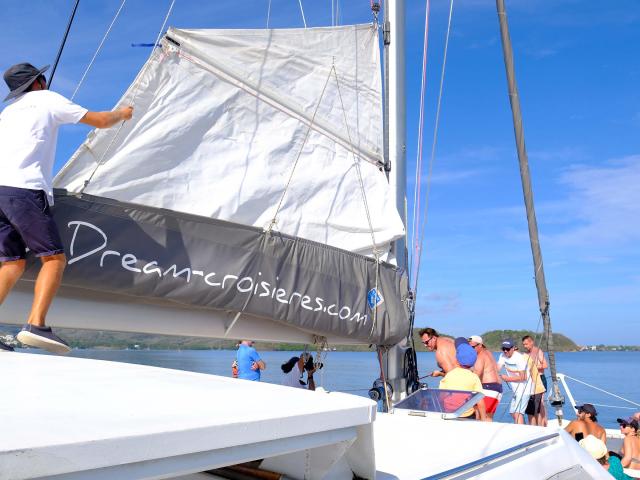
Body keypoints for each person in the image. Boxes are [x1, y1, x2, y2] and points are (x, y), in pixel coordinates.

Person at [0, 62, 133, 354]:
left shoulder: (7, 113)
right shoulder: (46, 99)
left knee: (12, 263)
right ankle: (36, 325)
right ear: (38, 82)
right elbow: (100, 121)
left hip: (0, 192)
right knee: (54, 258)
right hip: (24, 189)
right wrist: (123, 114)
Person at [439, 339, 487, 421]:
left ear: (457, 360)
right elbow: (480, 400)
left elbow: (441, 396)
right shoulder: (474, 377)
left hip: (449, 414)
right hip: (467, 415)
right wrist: (483, 419)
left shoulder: (449, 375)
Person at [497, 339, 531, 424]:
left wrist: (507, 379)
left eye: (507, 349)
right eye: (503, 348)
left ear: (513, 348)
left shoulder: (519, 358)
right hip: (515, 390)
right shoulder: (502, 356)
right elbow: (497, 368)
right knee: (512, 412)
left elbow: (524, 377)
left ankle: (521, 433)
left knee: (518, 413)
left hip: (524, 389)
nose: (505, 351)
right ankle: (524, 428)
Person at [469, 335, 502, 421]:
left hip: (488, 388)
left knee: (482, 417)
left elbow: (476, 375)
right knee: (488, 417)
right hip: (497, 387)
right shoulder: (488, 353)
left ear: (480, 345)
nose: (471, 349)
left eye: (472, 347)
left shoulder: (480, 356)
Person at [522, 335, 548, 426]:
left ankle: (543, 424)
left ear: (531, 342)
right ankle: (535, 424)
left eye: (526, 344)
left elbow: (545, 365)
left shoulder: (537, 351)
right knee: (532, 403)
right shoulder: (526, 354)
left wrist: (533, 367)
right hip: (531, 380)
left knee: (540, 403)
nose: (525, 346)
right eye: (524, 345)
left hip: (540, 378)